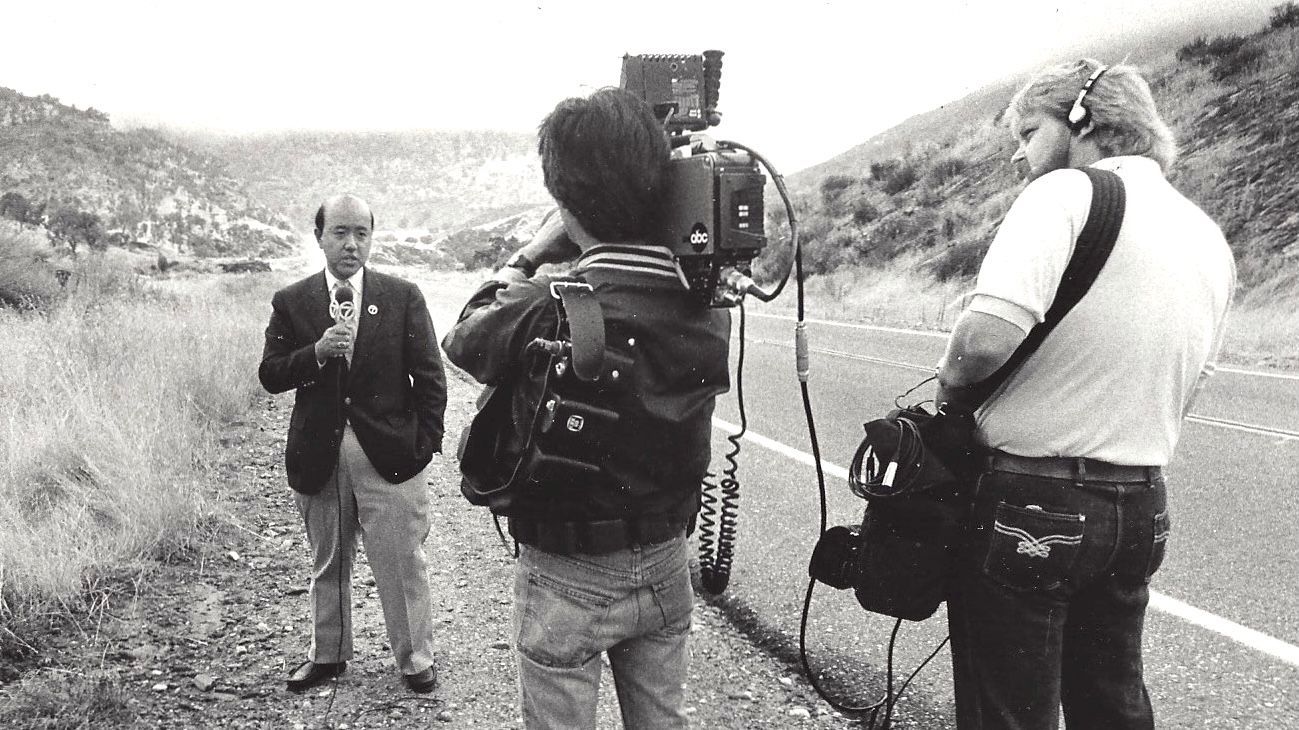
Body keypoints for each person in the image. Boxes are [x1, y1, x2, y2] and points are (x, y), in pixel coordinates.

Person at [934, 59, 1235, 729]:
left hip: (1032, 499)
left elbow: (983, 340)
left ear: (1080, 121)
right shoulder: (1206, 235)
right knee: (1111, 700)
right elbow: (1195, 381)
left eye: (1027, 131)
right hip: (1138, 505)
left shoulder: (1063, 194)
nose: (1018, 153)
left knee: (1007, 709)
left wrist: (948, 389)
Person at [442, 88, 731, 729]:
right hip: (664, 561)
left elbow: (464, 340)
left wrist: (530, 256)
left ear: (565, 200)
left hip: (566, 572)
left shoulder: (549, 297)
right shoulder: (707, 299)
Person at [258, 194, 446, 694]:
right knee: (328, 561)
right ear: (319, 236)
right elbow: (271, 375)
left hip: (389, 456)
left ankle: (415, 659)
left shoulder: (403, 295)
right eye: (340, 232)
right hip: (319, 453)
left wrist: (424, 444)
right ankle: (328, 655)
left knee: (402, 561)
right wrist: (315, 353)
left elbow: (431, 377)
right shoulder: (292, 301)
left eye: (361, 233)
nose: (351, 244)